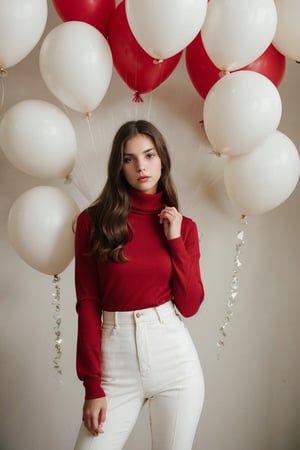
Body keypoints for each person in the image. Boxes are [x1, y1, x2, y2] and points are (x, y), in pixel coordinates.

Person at [73, 120, 205, 450]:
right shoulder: (93, 222)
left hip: (174, 360)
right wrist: (92, 385)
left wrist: (174, 241)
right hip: (114, 362)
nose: (141, 166)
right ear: (119, 166)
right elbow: (87, 302)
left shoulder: (183, 227)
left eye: (149, 155)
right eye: (129, 158)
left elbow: (189, 305)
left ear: (162, 159)